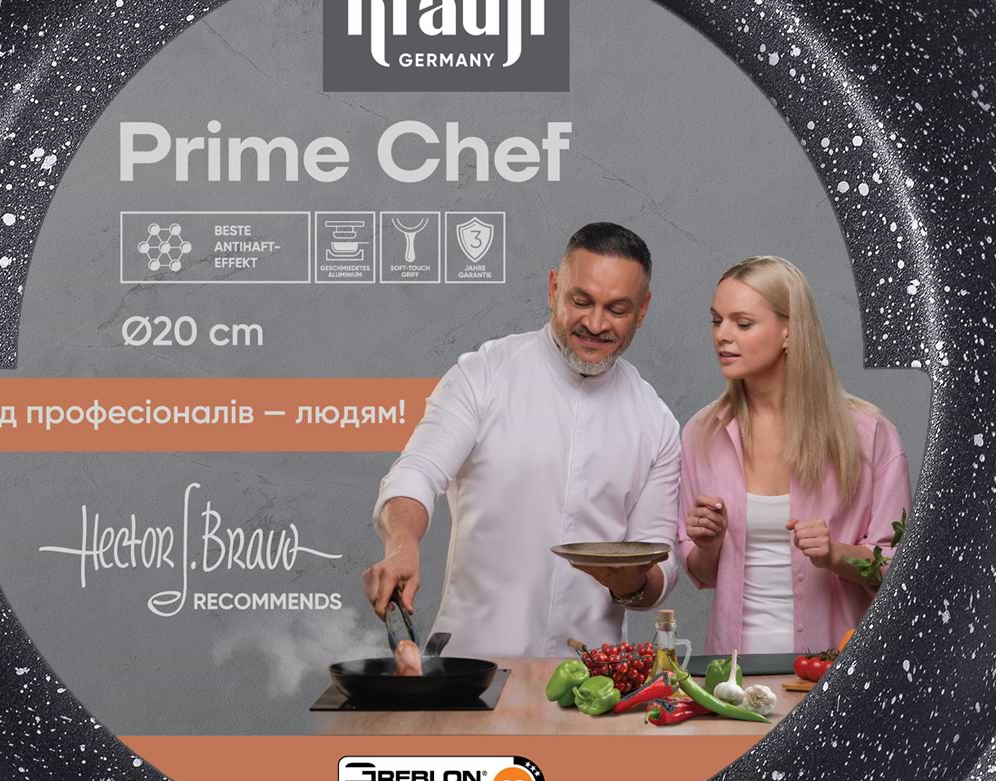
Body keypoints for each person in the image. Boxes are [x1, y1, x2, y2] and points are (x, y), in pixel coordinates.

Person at [364, 223, 681, 660]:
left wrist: (633, 583)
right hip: (472, 669)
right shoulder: (482, 375)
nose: (595, 323)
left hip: (593, 677)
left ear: (642, 310)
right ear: (554, 288)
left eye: (617, 309)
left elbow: (660, 559)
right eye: (581, 301)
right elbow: (417, 472)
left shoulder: (656, 422)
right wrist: (402, 546)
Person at [678, 256, 910, 656]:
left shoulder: (869, 433)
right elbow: (703, 573)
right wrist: (709, 543)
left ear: (789, 331)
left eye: (743, 324)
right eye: (717, 321)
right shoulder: (702, 433)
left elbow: (899, 568)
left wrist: (835, 555)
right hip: (732, 674)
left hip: (833, 670)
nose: (722, 336)